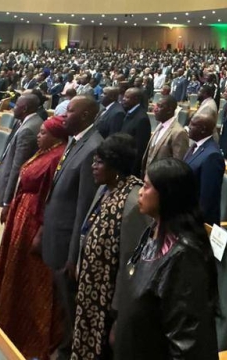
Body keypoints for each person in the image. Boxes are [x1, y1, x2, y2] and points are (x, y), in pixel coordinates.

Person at [114, 158, 219, 360]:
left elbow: (187, 344)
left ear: (167, 194)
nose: (140, 192)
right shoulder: (153, 230)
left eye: (146, 186)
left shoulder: (186, 258)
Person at [0, 115, 69, 359]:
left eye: (43, 133)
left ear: (56, 136)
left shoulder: (57, 157)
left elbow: (49, 199)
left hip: (33, 222)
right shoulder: (46, 151)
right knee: (16, 270)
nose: (38, 135)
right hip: (21, 215)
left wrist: (39, 232)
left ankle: (32, 332)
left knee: (32, 279)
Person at [72, 134, 149, 360]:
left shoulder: (133, 203)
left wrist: (118, 314)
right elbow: (87, 231)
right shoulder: (105, 188)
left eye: (99, 162)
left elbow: (131, 265)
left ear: (115, 166)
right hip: (91, 292)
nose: (93, 167)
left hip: (110, 305)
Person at [42, 95, 103, 351]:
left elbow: (84, 208)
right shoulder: (76, 140)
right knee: (61, 301)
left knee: (71, 305)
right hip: (57, 235)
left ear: (86, 116)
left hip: (68, 243)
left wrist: (74, 256)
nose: (64, 115)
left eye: (70, 111)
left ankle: (70, 350)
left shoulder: (92, 148)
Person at [0, 92, 43, 218]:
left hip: (15, 188)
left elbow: (18, 168)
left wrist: (7, 202)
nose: (13, 108)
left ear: (24, 109)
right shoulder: (24, 122)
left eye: (16, 105)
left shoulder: (28, 130)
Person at [184, 108, 224, 224]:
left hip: (197, 222)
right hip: (185, 213)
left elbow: (207, 198)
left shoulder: (212, 156)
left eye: (193, 125)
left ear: (203, 129)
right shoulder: (195, 146)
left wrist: (195, 223)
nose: (189, 127)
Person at [144, 96, 189, 170]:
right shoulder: (160, 125)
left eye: (160, 106)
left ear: (169, 110)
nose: (155, 109)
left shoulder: (179, 133)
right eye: (156, 105)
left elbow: (178, 165)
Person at [118, 87, 152, 176]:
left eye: (127, 97)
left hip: (130, 167)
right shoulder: (129, 112)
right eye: (124, 97)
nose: (123, 99)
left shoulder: (142, 119)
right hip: (122, 161)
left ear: (136, 99)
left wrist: (133, 172)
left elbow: (140, 149)